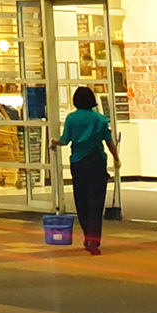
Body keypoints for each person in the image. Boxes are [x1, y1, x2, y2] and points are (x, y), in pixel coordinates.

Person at [53, 86, 120, 254]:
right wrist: (116, 158)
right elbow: (108, 141)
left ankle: (86, 235)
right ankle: (94, 239)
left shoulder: (71, 118)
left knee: (81, 200)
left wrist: (54, 142)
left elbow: (65, 140)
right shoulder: (100, 119)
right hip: (97, 162)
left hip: (79, 163)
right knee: (96, 202)